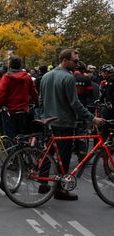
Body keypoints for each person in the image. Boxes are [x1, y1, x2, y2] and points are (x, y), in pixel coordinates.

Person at [39, 49, 105, 200]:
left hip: (48, 120)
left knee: (48, 151)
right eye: (74, 61)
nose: (77, 64)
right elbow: (75, 103)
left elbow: (40, 100)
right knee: (64, 156)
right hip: (64, 121)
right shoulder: (68, 78)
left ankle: (43, 182)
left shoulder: (46, 76)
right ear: (64, 60)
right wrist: (92, 118)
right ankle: (60, 189)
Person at [0, 55, 38, 138]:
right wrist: (36, 103)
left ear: (10, 65)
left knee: (10, 135)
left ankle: (12, 149)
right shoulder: (27, 77)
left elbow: (0, 95)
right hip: (23, 110)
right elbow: (34, 92)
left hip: (9, 111)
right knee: (23, 134)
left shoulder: (6, 77)